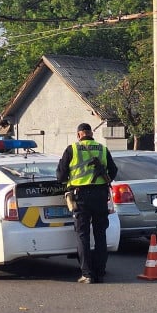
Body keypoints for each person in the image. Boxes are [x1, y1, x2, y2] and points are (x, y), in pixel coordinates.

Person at [56, 122, 117, 284]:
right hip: (100, 195)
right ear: (91, 134)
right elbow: (114, 171)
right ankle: (100, 273)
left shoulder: (72, 149)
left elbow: (61, 177)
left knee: (82, 235)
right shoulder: (102, 149)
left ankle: (87, 274)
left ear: (78, 135)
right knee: (100, 234)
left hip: (80, 196)